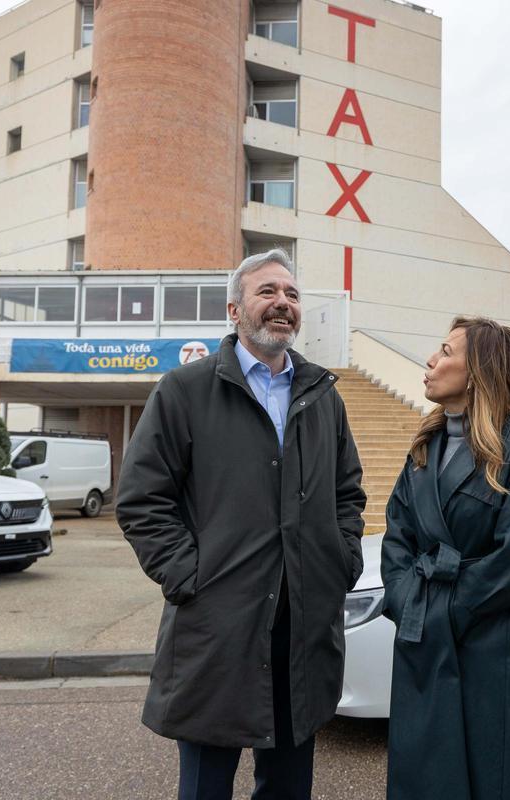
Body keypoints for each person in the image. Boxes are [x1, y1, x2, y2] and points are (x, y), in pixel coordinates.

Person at [117, 249, 367, 800]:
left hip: (302, 625)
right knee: (206, 785)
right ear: (234, 309)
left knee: (288, 786)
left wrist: (341, 561)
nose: (283, 304)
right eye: (267, 292)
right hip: (218, 627)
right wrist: (190, 576)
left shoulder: (324, 398)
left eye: (292, 295)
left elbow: (347, 493)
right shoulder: (184, 391)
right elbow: (141, 499)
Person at [381, 316, 510, 800]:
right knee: (432, 775)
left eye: (445, 351)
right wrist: (408, 603)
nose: (430, 360)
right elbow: (396, 541)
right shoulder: (424, 449)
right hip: (428, 638)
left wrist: (448, 608)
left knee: (508, 776)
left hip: (503, 645)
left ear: (479, 371)